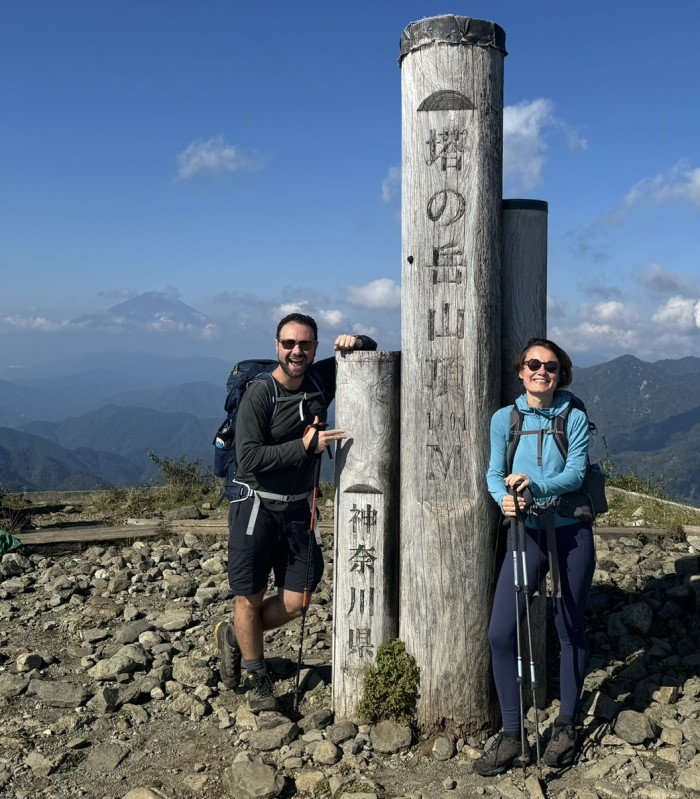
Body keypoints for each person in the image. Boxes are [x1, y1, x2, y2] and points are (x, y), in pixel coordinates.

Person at [213, 312, 377, 710]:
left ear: (316, 347)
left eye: (304, 344)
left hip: (298, 510)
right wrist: (305, 447)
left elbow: (372, 352)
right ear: (277, 347)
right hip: (255, 506)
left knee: (299, 598)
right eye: (288, 344)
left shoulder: (321, 378)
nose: (296, 351)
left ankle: (236, 635)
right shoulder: (260, 393)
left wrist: (356, 341)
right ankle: (257, 675)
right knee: (249, 598)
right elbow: (248, 457)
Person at [474, 337, 595, 776]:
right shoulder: (505, 419)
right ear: (520, 371)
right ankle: (512, 735)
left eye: (550, 366)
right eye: (533, 365)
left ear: (561, 373)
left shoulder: (574, 417)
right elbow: (493, 472)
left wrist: (534, 488)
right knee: (501, 632)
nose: (541, 371)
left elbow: (576, 473)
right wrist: (502, 499)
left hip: (570, 532)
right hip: (525, 533)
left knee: (568, 625)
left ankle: (565, 725)